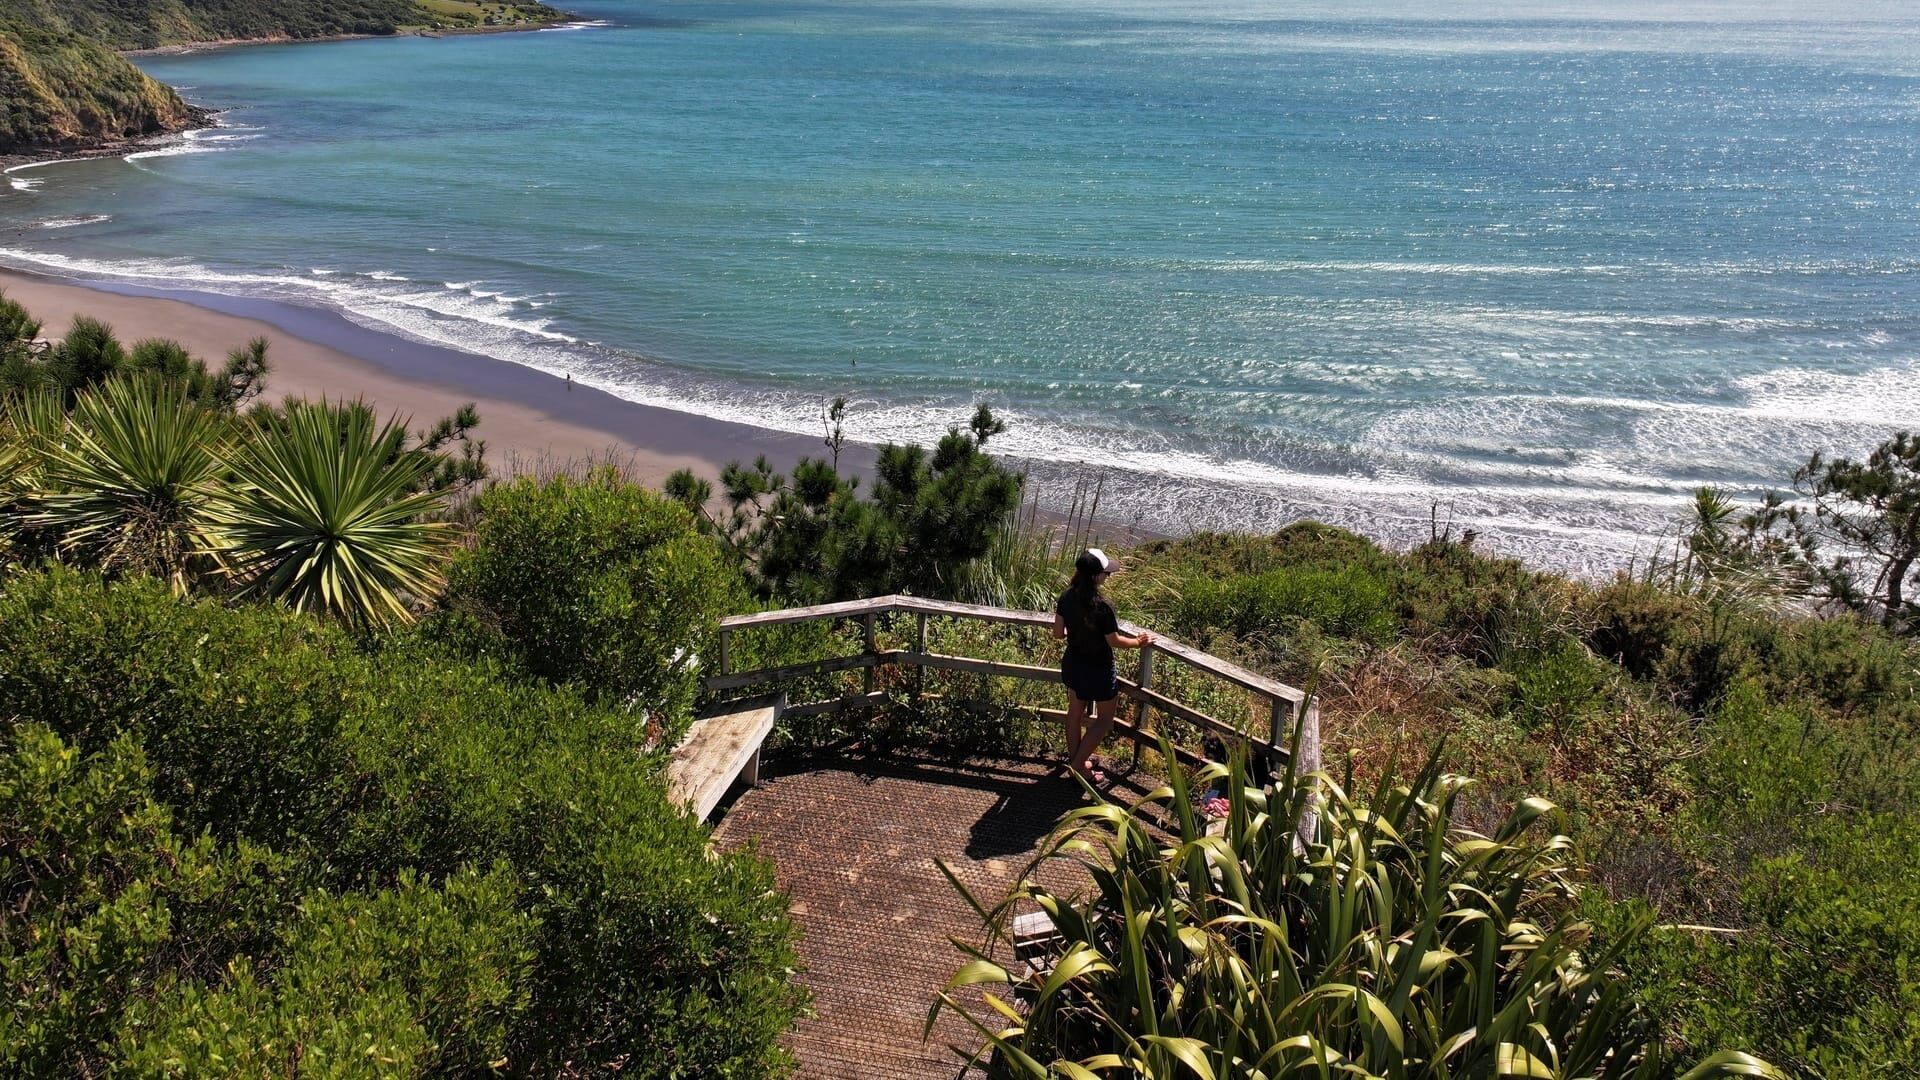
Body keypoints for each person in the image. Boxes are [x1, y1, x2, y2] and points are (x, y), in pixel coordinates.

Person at [1053, 547, 1153, 784]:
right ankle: (1078, 766)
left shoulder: (1066, 596)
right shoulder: (1102, 606)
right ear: (1095, 576)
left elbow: (1058, 633)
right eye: (1106, 574)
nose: (1108, 577)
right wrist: (1139, 642)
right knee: (1105, 719)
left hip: (1074, 662)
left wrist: (1077, 630)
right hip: (1098, 668)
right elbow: (1114, 641)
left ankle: (1078, 762)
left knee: (1074, 713)